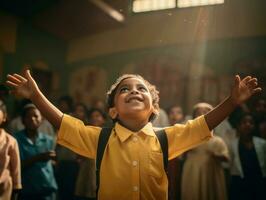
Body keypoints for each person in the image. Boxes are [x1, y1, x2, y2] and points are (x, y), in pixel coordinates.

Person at [6, 70, 261, 200]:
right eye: (125, 89)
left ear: (153, 108)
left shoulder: (166, 138)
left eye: (141, 88)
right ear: (114, 111)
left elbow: (201, 125)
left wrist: (232, 102)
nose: (134, 91)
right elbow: (64, 123)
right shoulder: (100, 139)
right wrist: (36, 97)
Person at [181, 102, 229, 200]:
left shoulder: (217, 141)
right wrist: (186, 149)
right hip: (193, 172)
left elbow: (226, 158)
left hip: (211, 173)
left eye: (207, 112)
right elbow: (180, 155)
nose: (203, 115)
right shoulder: (189, 138)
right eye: (199, 113)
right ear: (194, 118)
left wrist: (216, 155)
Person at [13, 104, 57, 200]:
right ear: (23, 120)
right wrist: (38, 158)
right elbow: (16, 166)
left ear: (41, 119)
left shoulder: (48, 140)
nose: (32, 119)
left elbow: (52, 163)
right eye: (28, 116)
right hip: (27, 191)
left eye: (36, 116)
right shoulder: (16, 140)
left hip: (47, 189)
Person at [228, 112, 266, 200]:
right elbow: (229, 166)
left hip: (259, 183)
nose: (248, 124)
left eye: (251, 122)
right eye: (244, 122)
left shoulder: (262, 143)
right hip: (239, 184)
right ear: (238, 126)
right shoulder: (232, 144)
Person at [75, 108, 106, 200]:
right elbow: (78, 154)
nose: (95, 118)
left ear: (103, 119)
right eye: (92, 117)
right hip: (87, 168)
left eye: (97, 116)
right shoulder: (85, 133)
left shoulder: (108, 133)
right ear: (89, 119)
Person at [0, 100, 21, 200]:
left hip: (4, 188)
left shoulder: (11, 141)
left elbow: (16, 168)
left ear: (4, 117)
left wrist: (17, 187)